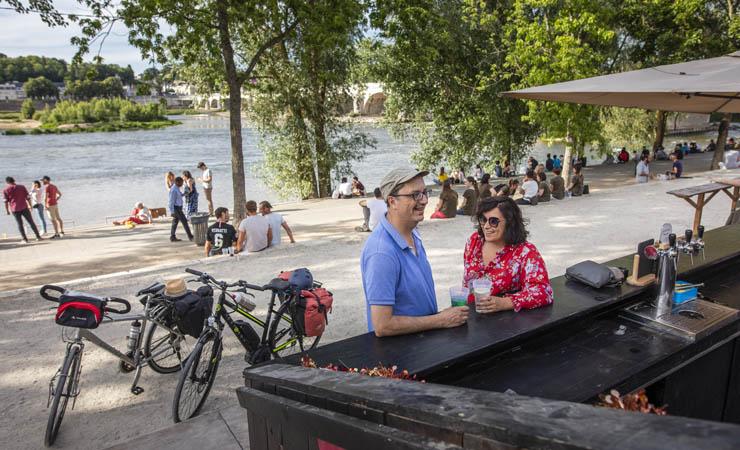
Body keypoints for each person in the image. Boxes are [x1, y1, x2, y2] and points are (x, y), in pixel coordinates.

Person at [361, 168, 468, 336]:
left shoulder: (412, 233)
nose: (424, 200)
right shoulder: (381, 253)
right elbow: (382, 325)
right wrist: (440, 320)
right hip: (400, 355)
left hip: (422, 342)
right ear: (393, 201)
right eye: (415, 195)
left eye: (425, 192)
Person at [463, 197, 553, 313]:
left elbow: (544, 292)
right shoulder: (474, 241)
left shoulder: (525, 252)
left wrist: (505, 303)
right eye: (483, 219)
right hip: (469, 316)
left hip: (502, 323)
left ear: (510, 223)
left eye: (493, 221)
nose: (486, 226)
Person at [3, 177, 42, 243]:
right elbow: (28, 197)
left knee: (20, 224)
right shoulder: (22, 187)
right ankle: (38, 236)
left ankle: (24, 239)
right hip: (24, 207)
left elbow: (6, 201)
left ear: (7, 182)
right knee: (31, 222)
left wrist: (7, 210)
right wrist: (30, 206)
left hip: (14, 209)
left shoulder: (5, 190)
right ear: (14, 180)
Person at [169, 176, 193, 242]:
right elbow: (171, 201)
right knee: (184, 221)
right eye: (181, 183)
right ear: (177, 182)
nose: (182, 184)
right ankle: (190, 236)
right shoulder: (174, 189)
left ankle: (172, 237)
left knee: (175, 223)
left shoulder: (177, 188)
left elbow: (178, 196)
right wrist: (172, 211)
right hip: (176, 208)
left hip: (178, 207)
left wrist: (184, 194)